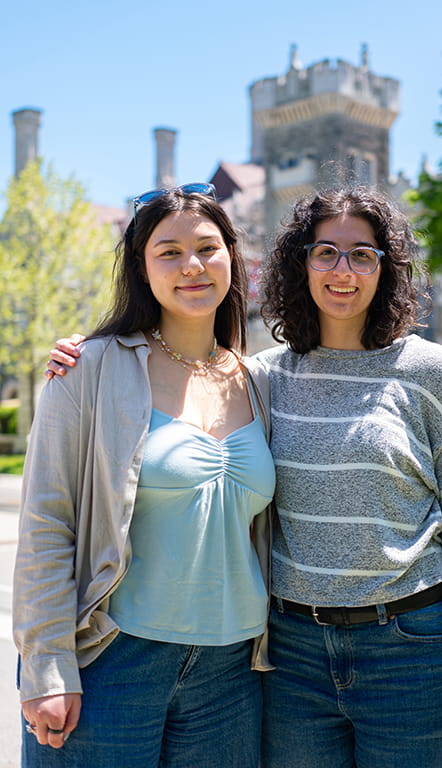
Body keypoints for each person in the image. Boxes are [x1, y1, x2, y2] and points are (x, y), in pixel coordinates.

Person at [47, 186, 442, 767]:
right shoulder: (263, 378)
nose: (343, 271)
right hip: (292, 658)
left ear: (387, 267)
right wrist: (85, 352)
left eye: (362, 254)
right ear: (301, 263)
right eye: (326, 252)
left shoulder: (429, 370)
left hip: (409, 652)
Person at [13, 182, 276, 768]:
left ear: (233, 256)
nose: (192, 266)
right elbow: (46, 522)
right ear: (140, 266)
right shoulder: (91, 368)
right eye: (168, 251)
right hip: (111, 661)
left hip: (231, 673)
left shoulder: (259, 382)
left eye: (208, 248)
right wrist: (47, 664)